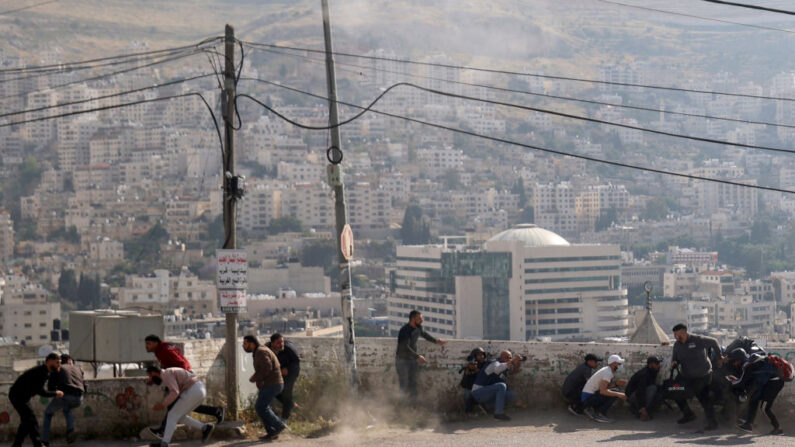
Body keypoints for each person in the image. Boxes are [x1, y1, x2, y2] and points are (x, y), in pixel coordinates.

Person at [144, 334, 225, 437]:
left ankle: (163, 431)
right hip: (182, 377)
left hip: (186, 377)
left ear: (155, 343)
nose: (146, 346)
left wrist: (181, 378)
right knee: (186, 404)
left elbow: (181, 363)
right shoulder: (161, 350)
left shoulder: (165, 351)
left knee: (175, 404)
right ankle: (216, 411)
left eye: (148, 344)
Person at [145, 366, 215, 447]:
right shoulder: (167, 373)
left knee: (172, 414)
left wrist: (162, 405)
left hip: (193, 390)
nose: (150, 379)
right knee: (179, 417)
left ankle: (164, 444)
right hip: (199, 390)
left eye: (149, 376)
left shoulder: (166, 374)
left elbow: (175, 391)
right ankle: (205, 428)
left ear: (153, 373)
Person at [670, 323, 722, 430]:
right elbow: (675, 358)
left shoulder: (698, 340)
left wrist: (719, 357)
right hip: (687, 377)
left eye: (677, 334)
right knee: (675, 391)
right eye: (674, 335)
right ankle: (688, 414)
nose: (675, 337)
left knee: (703, 398)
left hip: (703, 375)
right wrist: (674, 362)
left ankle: (713, 423)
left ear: (683, 333)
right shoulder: (677, 345)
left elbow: (714, 342)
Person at [727, 348, 786, 435]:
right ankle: (748, 424)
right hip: (771, 382)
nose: (734, 364)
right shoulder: (752, 362)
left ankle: (778, 429)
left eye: (734, 361)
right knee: (754, 400)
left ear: (738, 359)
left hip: (774, 383)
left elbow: (741, 382)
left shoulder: (748, 366)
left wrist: (732, 381)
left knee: (765, 408)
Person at [9, 353, 62, 447]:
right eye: (57, 362)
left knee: (26, 422)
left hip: (21, 397)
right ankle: (38, 444)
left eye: (60, 363)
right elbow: (41, 392)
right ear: (49, 362)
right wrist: (55, 393)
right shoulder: (42, 373)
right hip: (18, 396)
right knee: (31, 420)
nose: (59, 365)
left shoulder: (45, 372)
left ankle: (17, 445)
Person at [395, 310, 446, 405]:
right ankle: (402, 409)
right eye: (420, 318)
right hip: (402, 361)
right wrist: (418, 356)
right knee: (404, 384)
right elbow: (405, 347)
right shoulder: (405, 330)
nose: (422, 320)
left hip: (412, 360)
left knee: (413, 384)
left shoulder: (418, 328)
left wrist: (436, 341)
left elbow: (424, 335)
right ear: (413, 319)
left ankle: (413, 408)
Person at [243, 335, 287, 442]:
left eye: (245, 344)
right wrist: (258, 380)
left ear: (252, 343)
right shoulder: (258, 351)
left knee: (261, 407)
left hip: (273, 384)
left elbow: (267, 368)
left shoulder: (261, 352)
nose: (243, 346)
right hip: (271, 384)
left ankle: (279, 425)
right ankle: (272, 432)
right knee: (261, 407)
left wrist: (255, 378)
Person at [42, 354, 85, 446]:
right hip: (79, 398)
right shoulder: (79, 369)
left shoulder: (59, 368)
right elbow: (85, 385)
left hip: (66, 395)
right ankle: (70, 430)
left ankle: (45, 440)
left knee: (48, 413)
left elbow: (50, 387)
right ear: (70, 361)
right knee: (66, 408)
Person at [471, 350, 522, 421]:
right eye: (506, 357)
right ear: (501, 357)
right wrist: (512, 362)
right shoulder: (494, 362)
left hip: (488, 392)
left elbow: (509, 373)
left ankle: (488, 407)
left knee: (510, 395)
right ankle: (498, 413)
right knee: (501, 386)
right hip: (478, 393)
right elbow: (498, 368)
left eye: (510, 358)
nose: (508, 359)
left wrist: (516, 365)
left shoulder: (503, 366)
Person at [580, 354, 628, 423]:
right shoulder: (607, 373)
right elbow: (603, 391)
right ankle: (600, 414)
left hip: (588, 398)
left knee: (615, 391)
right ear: (614, 363)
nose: (620, 366)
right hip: (588, 399)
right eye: (619, 364)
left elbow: (604, 388)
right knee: (615, 393)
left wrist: (616, 384)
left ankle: (594, 409)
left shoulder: (607, 370)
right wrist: (619, 394)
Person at [266, 333, 300, 420]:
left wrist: (288, 368)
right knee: (274, 391)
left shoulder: (289, 348)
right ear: (272, 343)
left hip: (291, 372)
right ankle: (291, 404)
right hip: (276, 374)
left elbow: (296, 361)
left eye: (282, 342)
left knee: (286, 392)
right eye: (278, 343)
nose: (281, 344)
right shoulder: (266, 350)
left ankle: (284, 419)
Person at [625, 356, 662, 421]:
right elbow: (640, 391)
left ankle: (639, 409)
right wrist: (643, 408)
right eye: (657, 364)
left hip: (639, 393)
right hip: (633, 395)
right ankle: (641, 412)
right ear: (651, 365)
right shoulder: (644, 374)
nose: (659, 365)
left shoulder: (652, 371)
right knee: (653, 388)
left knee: (658, 391)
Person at [460, 347, 487, 412]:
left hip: (484, 389)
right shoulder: (470, 367)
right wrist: (466, 373)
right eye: (479, 355)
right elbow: (464, 385)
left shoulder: (486, 365)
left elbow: (485, 378)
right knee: (467, 393)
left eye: (482, 355)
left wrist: (476, 370)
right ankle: (469, 413)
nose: (482, 357)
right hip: (473, 391)